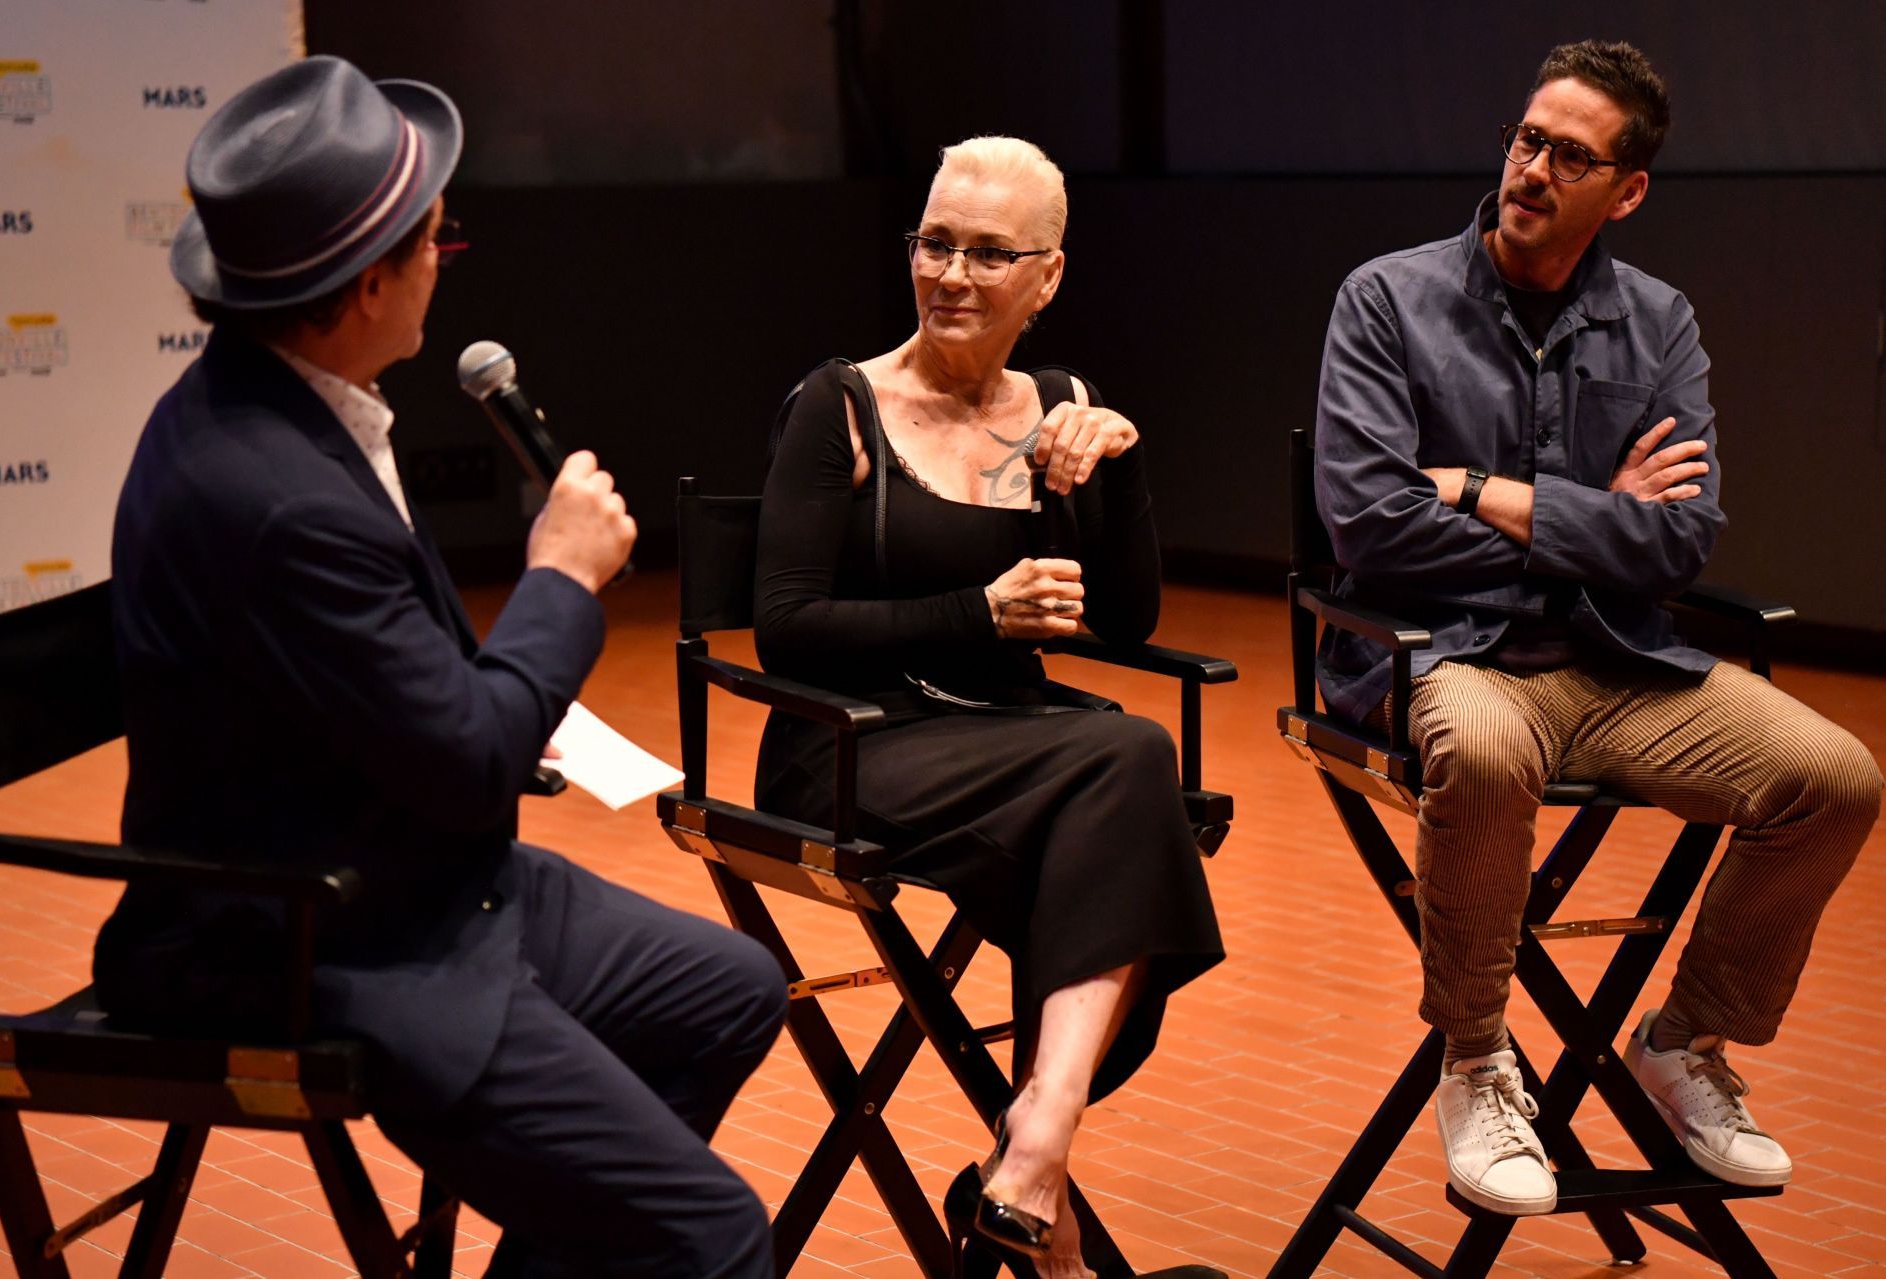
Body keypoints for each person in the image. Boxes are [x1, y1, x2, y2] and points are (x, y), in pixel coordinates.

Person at [92, 57, 785, 1278]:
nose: (444, 262)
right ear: (368, 285)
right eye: (438, 244)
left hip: (418, 866)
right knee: (717, 1234)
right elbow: (468, 763)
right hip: (326, 936)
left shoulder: (278, 406)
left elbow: (392, 701)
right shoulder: (272, 494)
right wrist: (561, 579)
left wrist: (495, 695)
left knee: (731, 987)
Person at [1314, 39, 1884, 1217]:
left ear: (1625, 189)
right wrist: (1592, 517)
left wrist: (1484, 490)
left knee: (1835, 776)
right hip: (1451, 651)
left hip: (1620, 658)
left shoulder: (1658, 322)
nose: (1532, 168)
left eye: (1571, 156)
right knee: (1481, 750)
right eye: (1529, 138)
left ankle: (1687, 1040)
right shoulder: (1388, 298)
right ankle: (1473, 1061)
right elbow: (1372, 527)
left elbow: (1679, 543)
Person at [754, 136, 1222, 1278]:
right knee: (1126, 765)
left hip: (1011, 746)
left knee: (1113, 782)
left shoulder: (1063, 407)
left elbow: (1123, 618)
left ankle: (1031, 1161)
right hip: (852, 745)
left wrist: (1118, 467)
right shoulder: (842, 404)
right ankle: (1040, 1166)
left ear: (1047, 278)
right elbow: (785, 627)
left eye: (986, 253)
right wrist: (979, 611)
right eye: (934, 244)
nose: (952, 275)